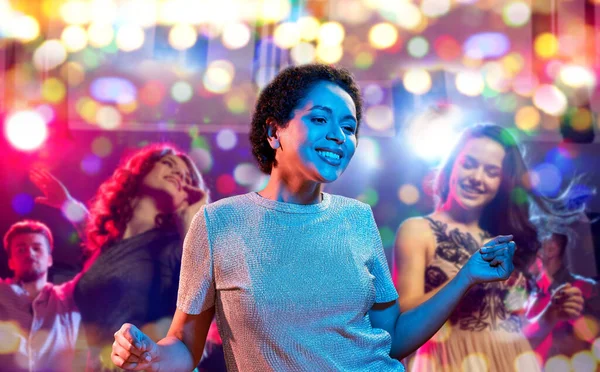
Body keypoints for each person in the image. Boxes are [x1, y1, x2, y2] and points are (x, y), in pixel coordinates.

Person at [111, 64, 518, 372]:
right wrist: (149, 357)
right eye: (320, 120)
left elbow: (392, 339)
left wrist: (468, 275)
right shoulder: (219, 224)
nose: (339, 137)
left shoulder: (357, 218)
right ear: (274, 132)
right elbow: (184, 345)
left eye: (349, 126)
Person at [394, 124, 585, 371]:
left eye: (491, 171)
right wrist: (465, 279)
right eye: (469, 164)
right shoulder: (417, 230)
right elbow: (402, 325)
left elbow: (514, 336)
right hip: (448, 363)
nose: (477, 177)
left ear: (503, 182)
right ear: (452, 164)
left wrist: (551, 315)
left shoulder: (507, 240)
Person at [30, 144, 216, 371]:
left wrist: (193, 217)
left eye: (188, 176)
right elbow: (91, 230)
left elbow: (201, 301)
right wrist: (66, 202)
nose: (179, 174)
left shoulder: (176, 245)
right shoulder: (107, 247)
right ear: (139, 171)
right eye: (168, 164)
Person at [0, 220, 81, 372]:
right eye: (21, 249)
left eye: (37, 248)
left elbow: (106, 253)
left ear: (50, 260)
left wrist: (71, 207)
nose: (30, 253)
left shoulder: (69, 296)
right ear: (10, 262)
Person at [529, 227, 600, 362]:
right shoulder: (526, 292)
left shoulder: (589, 289)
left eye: (529, 243)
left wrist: (546, 282)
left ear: (550, 249)